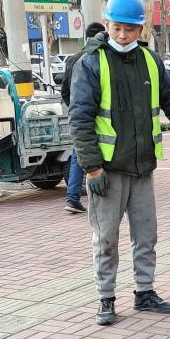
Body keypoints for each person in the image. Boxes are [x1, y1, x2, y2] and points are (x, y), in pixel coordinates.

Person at [69, 0, 170, 326]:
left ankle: (145, 292)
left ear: (141, 30)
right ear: (107, 24)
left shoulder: (150, 61)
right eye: (116, 28)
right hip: (107, 169)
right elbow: (80, 118)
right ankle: (106, 298)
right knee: (106, 237)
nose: (122, 35)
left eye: (129, 29)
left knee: (146, 234)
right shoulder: (91, 63)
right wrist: (91, 167)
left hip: (142, 166)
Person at [60, 21, 106, 215]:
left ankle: (73, 197)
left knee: (78, 154)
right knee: (83, 156)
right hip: (95, 117)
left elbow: (64, 91)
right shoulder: (95, 58)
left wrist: (74, 107)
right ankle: (73, 197)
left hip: (78, 114)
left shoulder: (73, 59)